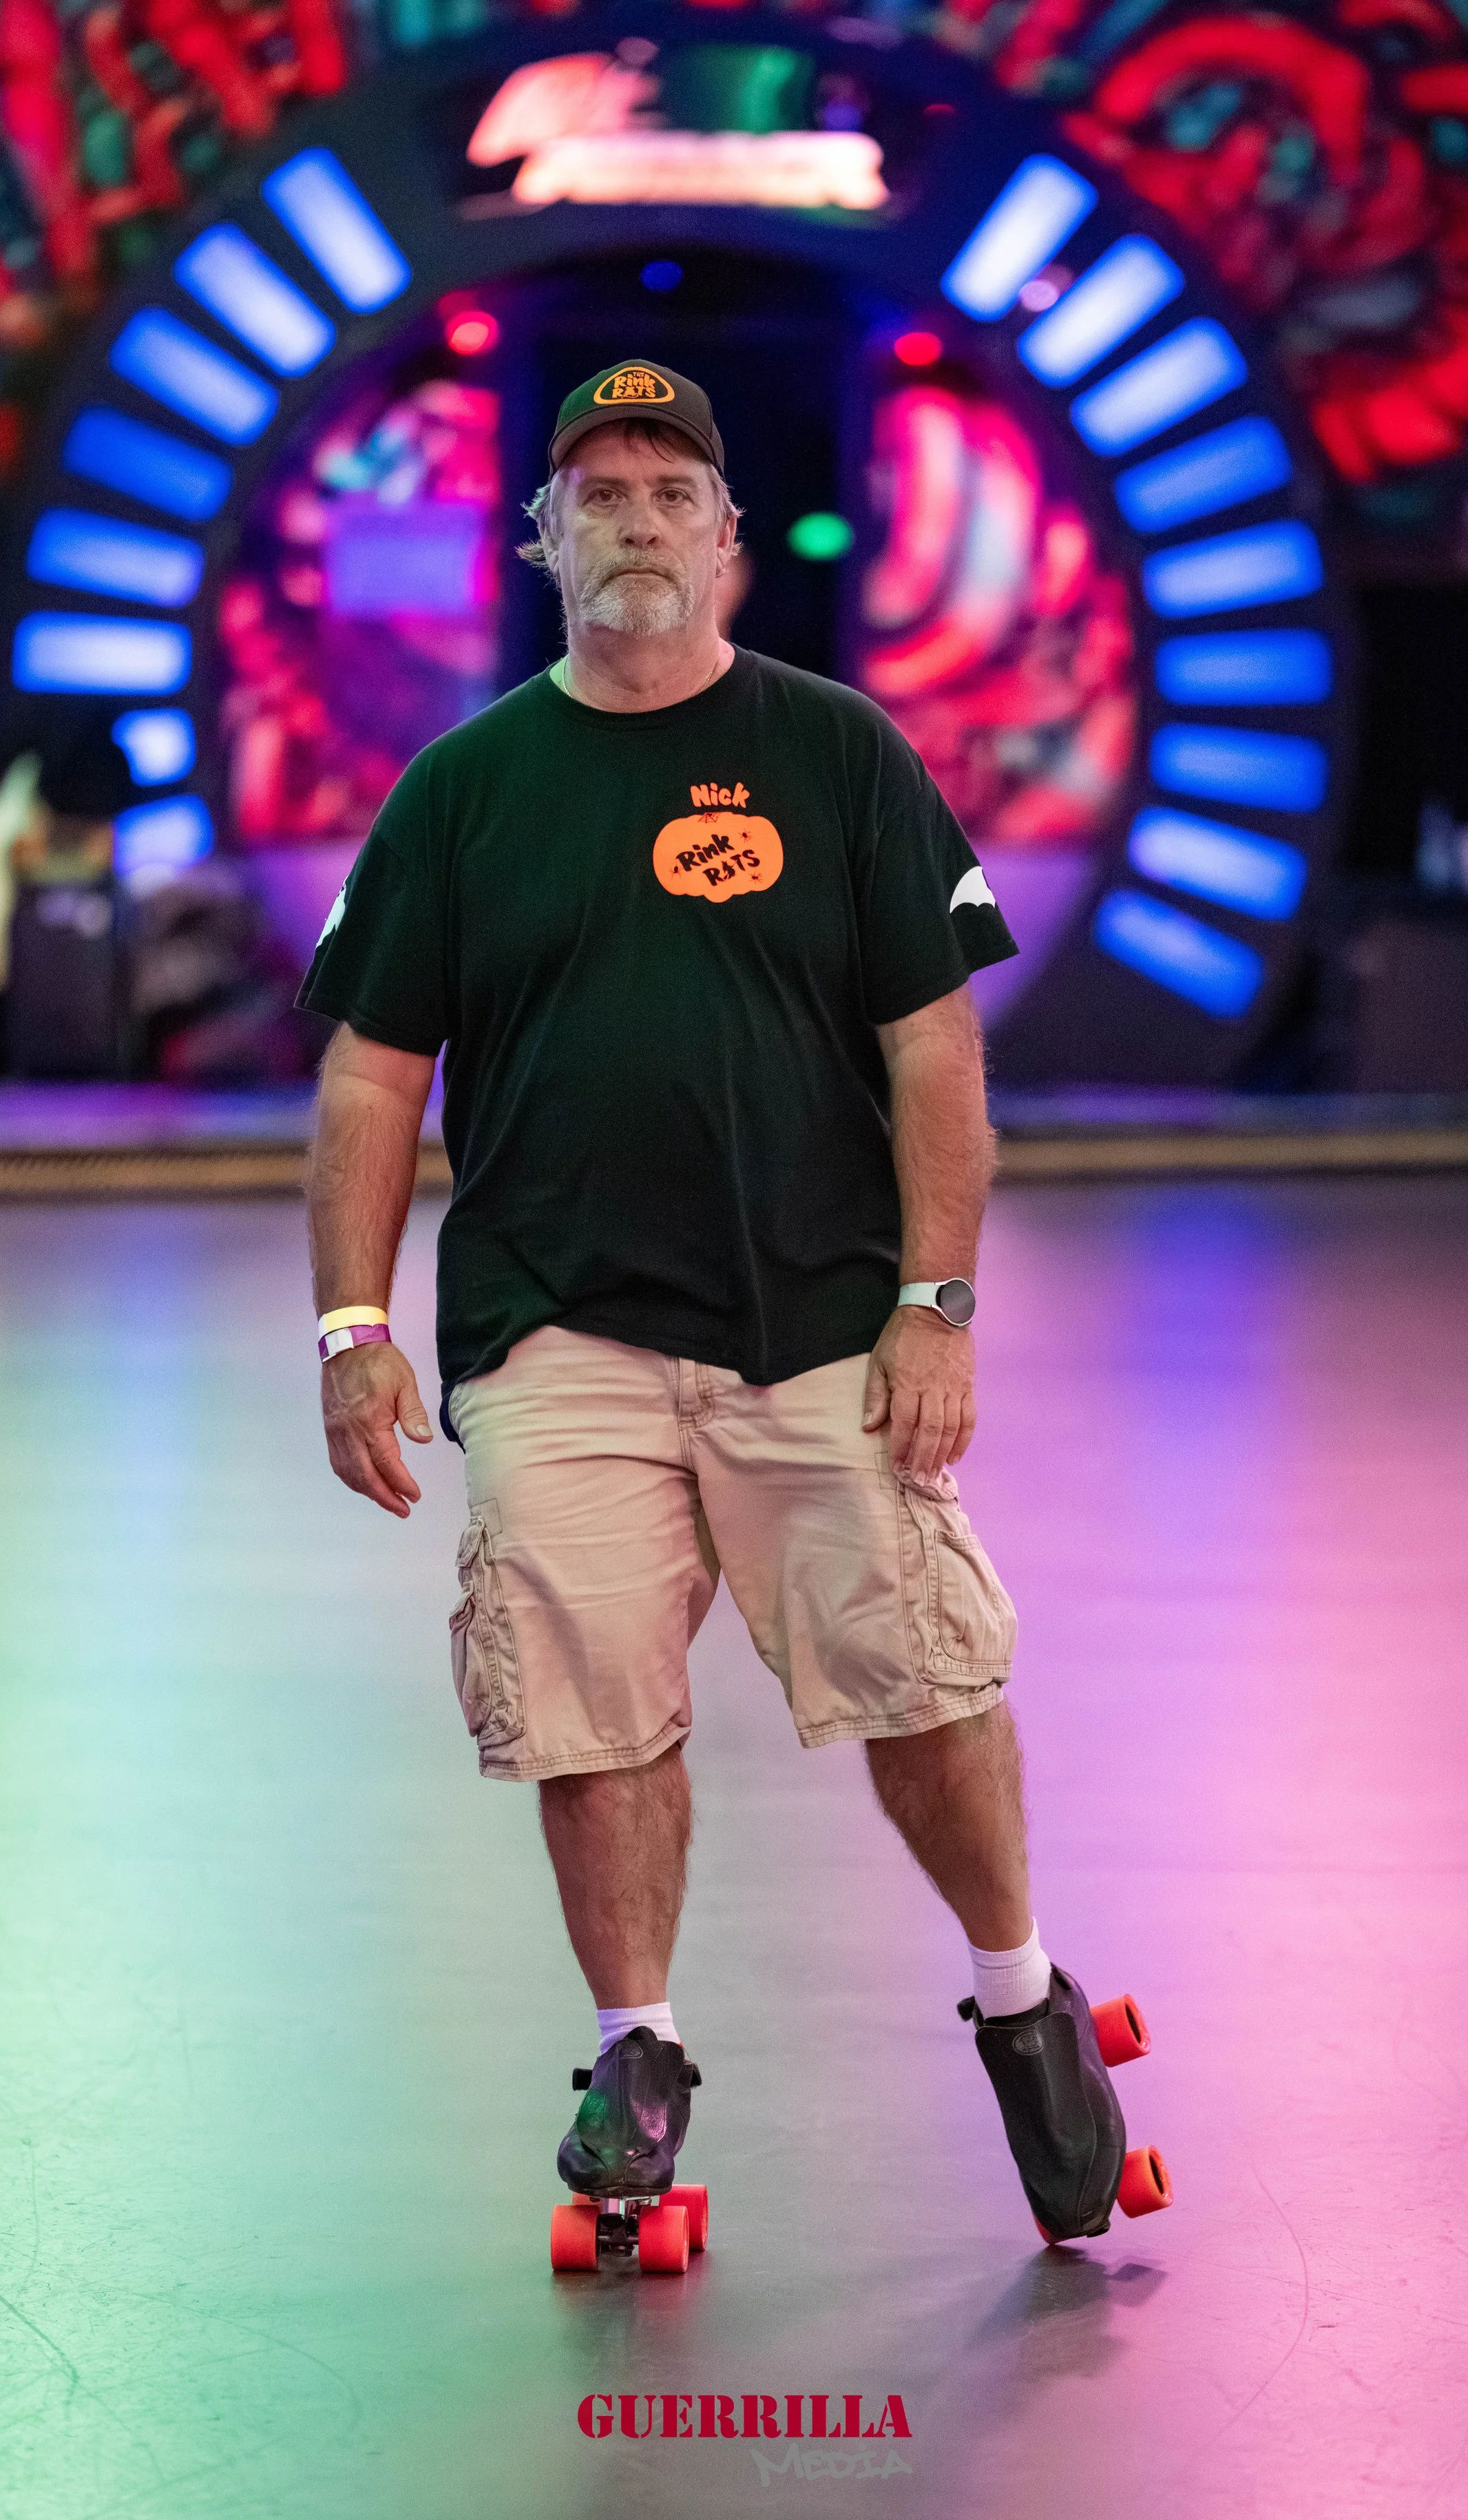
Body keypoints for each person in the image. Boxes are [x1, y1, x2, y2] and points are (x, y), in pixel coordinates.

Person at [300, 360, 1145, 2251]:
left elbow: (933, 1054)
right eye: (597, 495)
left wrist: (937, 1301)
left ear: (729, 541)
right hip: (555, 1332)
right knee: (586, 1701)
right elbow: (370, 1077)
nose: (636, 522)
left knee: (922, 1679)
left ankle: (1020, 1998)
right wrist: (353, 1333)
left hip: (820, 1324)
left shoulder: (837, 755)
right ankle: (637, 2051)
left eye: (671, 493)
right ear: (542, 541)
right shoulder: (464, 792)